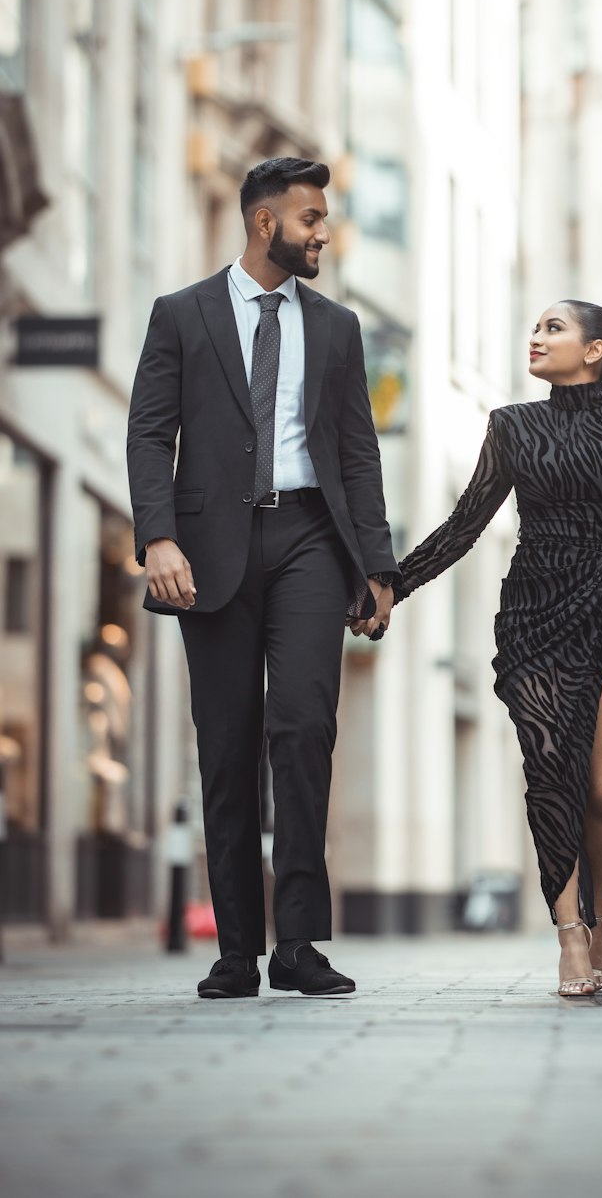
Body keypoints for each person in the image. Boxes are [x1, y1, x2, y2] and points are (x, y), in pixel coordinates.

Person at [127, 157, 398, 1000]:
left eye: (323, 219)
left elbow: (357, 451)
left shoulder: (339, 328)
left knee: (305, 730)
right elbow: (148, 434)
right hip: (208, 547)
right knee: (228, 744)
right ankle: (238, 949)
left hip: (311, 537)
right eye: (311, 218)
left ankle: (301, 943)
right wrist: (157, 538)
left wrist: (379, 566)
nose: (323, 232)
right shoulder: (182, 314)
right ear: (263, 222)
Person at [391, 301, 602, 996]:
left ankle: (597, 919)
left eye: (553, 327)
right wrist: (394, 584)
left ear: (596, 350)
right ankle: (567, 931)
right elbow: (465, 522)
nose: (535, 336)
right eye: (533, 326)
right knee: (547, 769)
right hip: (535, 606)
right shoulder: (511, 425)